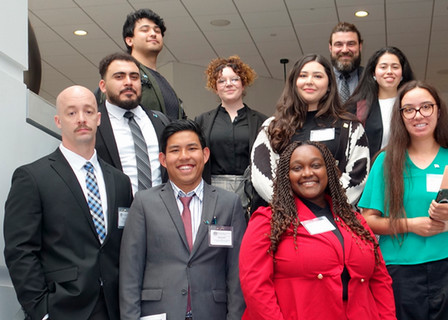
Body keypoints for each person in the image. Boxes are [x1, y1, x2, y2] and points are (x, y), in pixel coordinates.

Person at [359, 81, 448, 319]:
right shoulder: (386, 161)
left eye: (426, 107)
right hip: (400, 269)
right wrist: (411, 225)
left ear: (438, 111)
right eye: (409, 109)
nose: (418, 115)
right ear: (400, 116)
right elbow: (368, 220)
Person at [4, 86, 133, 320]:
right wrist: (41, 311)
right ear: (58, 121)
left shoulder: (121, 182)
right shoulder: (32, 177)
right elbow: (20, 251)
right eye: (71, 113)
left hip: (114, 309)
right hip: (61, 308)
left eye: (88, 111)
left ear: (98, 118)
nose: (81, 119)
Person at [240, 141, 396, 320]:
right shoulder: (268, 221)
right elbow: (255, 288)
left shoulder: (355, 221)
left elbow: (380, 281)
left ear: (328, 171)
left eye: (316, 165)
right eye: (297, 168)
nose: (308, 173)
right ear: (286, 176)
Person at [119, 119, 246, 319]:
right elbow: (130, 273)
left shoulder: (229, 204)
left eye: (192, 148)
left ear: (205, 155)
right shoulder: (144, 203)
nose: (184, 157)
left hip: (212, 313)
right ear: (163, 159)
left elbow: (237, 272)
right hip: (158, 312)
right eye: (175, 150)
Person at [250, 54, 369, 206]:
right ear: (294, 83)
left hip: (334, 218)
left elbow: (357, 176)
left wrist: (325, 208)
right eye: (303, 75)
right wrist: (292, 208)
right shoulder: (272, 127)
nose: (309, 81)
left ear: (329, 85)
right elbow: (262, 176)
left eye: (318, 76)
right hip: (285, 218)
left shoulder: (351, 127)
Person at [195, 55, 268, 209]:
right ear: (215, 87)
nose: (228, 84)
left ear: (243, 83)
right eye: (221, 81)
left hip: (252, 194)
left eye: (234, 79)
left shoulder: (262, 122)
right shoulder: (202, 121)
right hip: (213, 193)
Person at [96, 52, 170, 195]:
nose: (128, 82)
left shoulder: (161, 121)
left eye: (134, 77)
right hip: (117, 212)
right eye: (119, 76)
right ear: (103, 86)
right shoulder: (94, 124)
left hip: (161, 211)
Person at [99, 8, 185, 120]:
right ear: (129, 40)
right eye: (145, 30)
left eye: (157, 31)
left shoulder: (162, 82)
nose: (153, 34)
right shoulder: (120, 77)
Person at [344, 46, 415, 158]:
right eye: (383, 67)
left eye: (395, 67)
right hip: (371, 171)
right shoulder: (358, 107)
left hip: (408, 167)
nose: (389, 72)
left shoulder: (414, 104)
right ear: (373, 73)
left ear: (402, 73)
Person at [329, 22, 364, 102]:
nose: (345, 50)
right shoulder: (320, 79)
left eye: (351, 44)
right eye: (339, 44)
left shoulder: (371, 78)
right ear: (330, 48)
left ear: (360, 46)